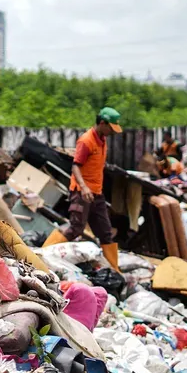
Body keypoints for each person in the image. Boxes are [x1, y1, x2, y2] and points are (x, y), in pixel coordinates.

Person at [59, 107, 123, 270]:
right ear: (102, 123)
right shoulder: (86, 140)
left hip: (96, 193)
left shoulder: (102, 140)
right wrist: (84, 187)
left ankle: (114, 270)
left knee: (105, 233)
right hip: (82, 192)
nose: (112, 132)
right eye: (111, 128)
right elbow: (75, 166)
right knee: (76, 229)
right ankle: (43, 255)